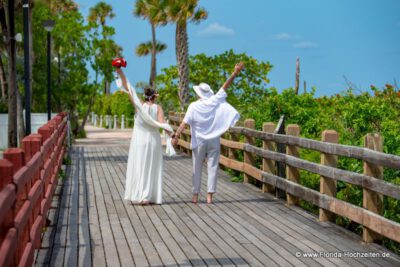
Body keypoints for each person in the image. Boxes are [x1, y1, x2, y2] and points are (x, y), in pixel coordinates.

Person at [172, 62, 245, 204]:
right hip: (214, 140)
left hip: (199, 141)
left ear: (198, 93)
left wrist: (176, 136)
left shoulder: (193, 106)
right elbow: (225, 86)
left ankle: (195, 196)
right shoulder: (214, 101)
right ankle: (209, 197)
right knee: (213, 167)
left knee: (196, 167)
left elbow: (184, 123)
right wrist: (235, 73)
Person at [115, 66, 175, 205]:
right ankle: (148, 196)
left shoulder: (139, 106)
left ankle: (141, 195)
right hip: (153, 140)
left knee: (140, 166)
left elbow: (128, 88)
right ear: (155, 97)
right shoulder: (157, 108)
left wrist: (120, 72)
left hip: (140, 141)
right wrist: (171, 135)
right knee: (151, 167)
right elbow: (162, 123)